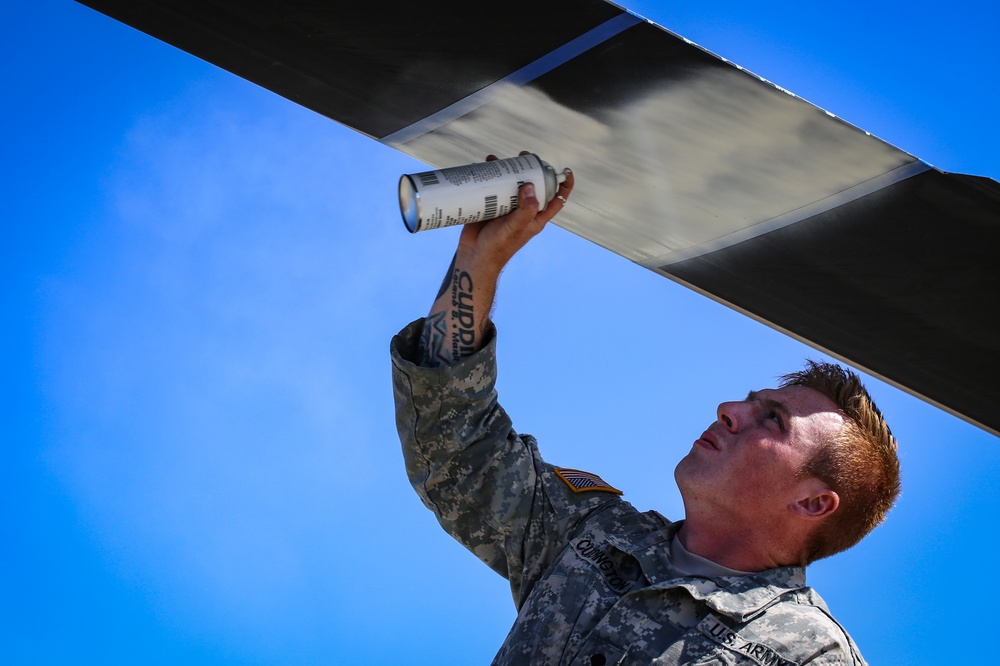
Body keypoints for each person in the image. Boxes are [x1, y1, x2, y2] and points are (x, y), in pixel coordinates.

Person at [391, 154, 901, 665]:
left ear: (813, 503)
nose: (728, 410)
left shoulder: (806, 652)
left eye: (773, 420)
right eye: (748, 402)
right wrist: (479, 264)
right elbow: (456, 451)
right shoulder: (592, 534)